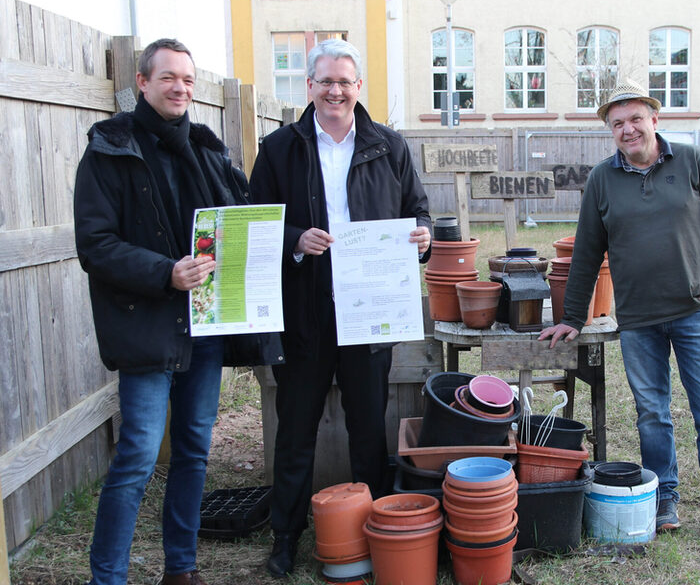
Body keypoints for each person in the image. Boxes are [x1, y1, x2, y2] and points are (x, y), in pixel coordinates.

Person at [74, 39, 283, 585]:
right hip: (147, 327)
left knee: (193, 450)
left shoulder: (208, 152)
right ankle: (108, 577)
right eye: (168, 78)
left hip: (205, 328)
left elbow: (239, 222)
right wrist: (165, 272)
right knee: (139, 457)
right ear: (142, 82)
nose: (180, 88)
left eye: (188, 80)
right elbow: (95, 245)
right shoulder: (110, 150)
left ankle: (181, 568)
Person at [249, 38, 432, 577]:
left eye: (344, 81)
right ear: (309, 87)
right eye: (324, 81)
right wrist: (293, 241)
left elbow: (416, 210)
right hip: (305, 312)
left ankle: (379, 532)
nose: (334, 90)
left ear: (358, 87)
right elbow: (256, 224)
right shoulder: (280, 148)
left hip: (368, 311)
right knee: (296, 428)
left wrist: (420, 238)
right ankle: (286, 536)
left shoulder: (388, 146)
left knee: (368, 428)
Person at [539, 78, 700, 544]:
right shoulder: (602, 180)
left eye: (636, 119)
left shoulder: (693, 162)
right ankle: (665, 496)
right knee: (652, 413)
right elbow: (588, 252)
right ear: (610, 131)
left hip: (695, 314)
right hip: (637, 320)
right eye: (618, 123)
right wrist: (573, 317)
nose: (629, 129)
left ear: (654, 119)